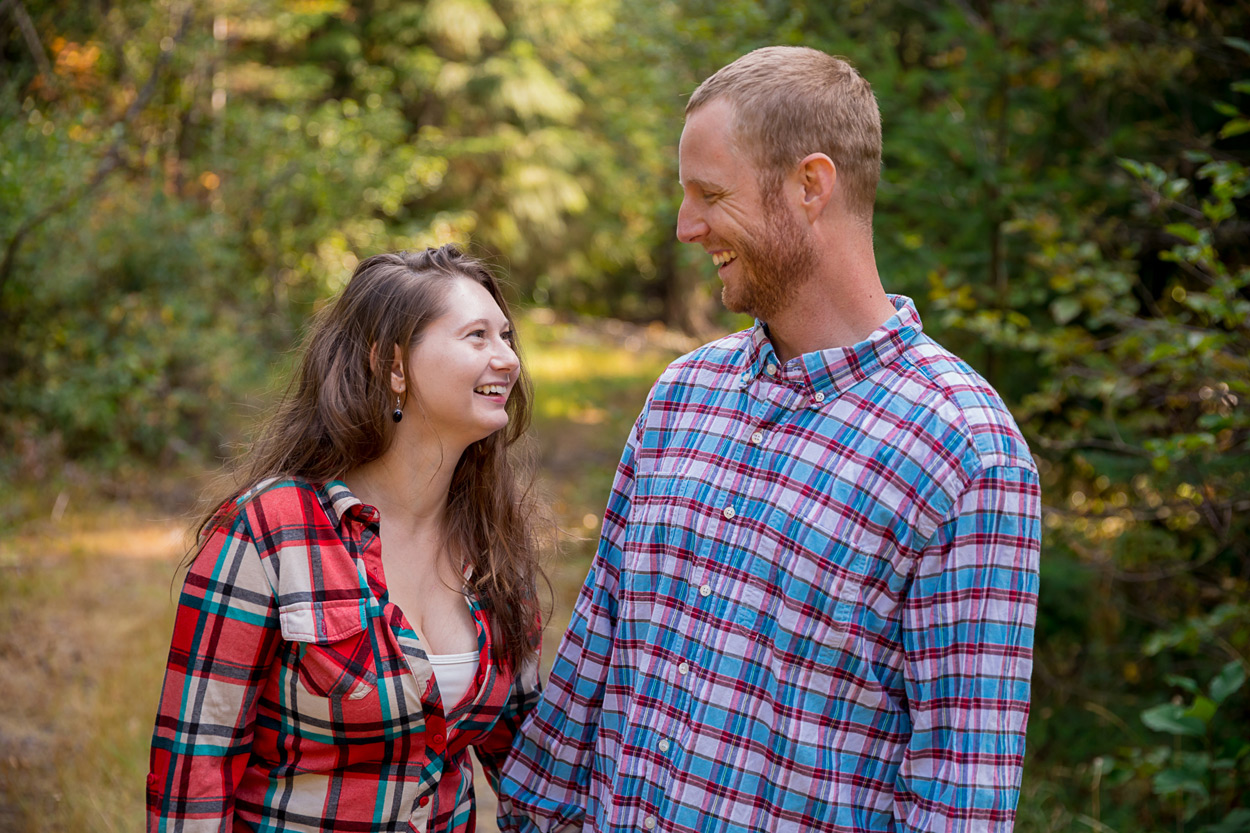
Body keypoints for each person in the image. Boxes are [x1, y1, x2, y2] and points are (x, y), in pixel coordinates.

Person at [498, 46, 1041, 832]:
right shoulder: (683, 396)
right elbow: (591, 664)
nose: (686, 227)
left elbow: (961, 795)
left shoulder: (965, 453)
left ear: (811, 185)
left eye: (710, 194)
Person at [147, 244, 544, 833]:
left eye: (507, 336)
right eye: (477, 336)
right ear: (393, 364)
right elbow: (193, 775)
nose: (508, 358)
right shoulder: (268, 532)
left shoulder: (491, 542)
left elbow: (532, 767)